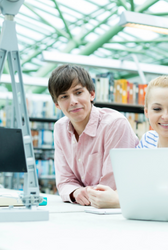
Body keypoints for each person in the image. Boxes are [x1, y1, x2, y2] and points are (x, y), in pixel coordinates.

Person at [48, 65, 139, 208]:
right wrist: (76, 191)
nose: (73, 101)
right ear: (57, 105)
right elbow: (64, 181)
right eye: (64, 96)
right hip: (88, 210)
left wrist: (86, 194)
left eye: (78, 92)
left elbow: (112, 186)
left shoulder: (114, 124)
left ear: (91, 94)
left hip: (120, 210)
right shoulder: (60, 128)